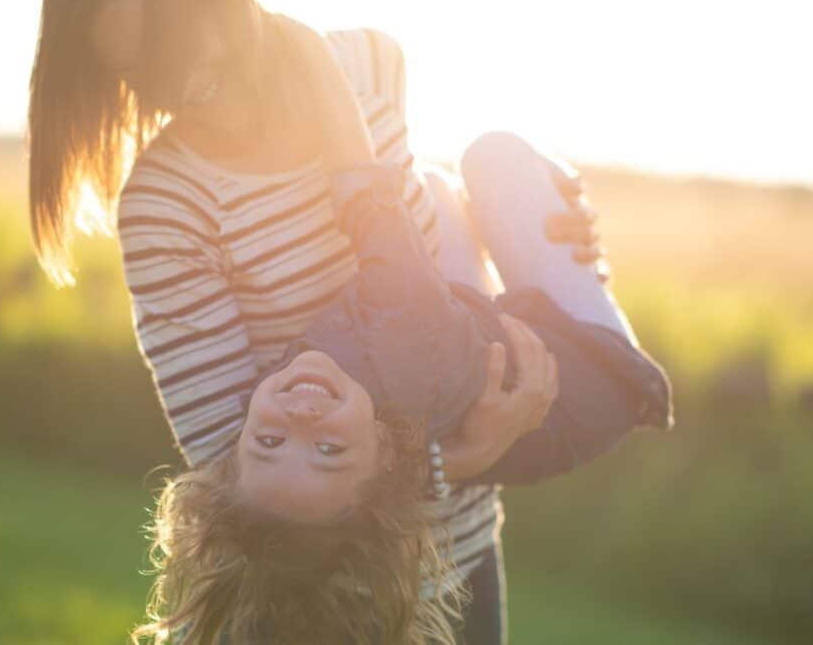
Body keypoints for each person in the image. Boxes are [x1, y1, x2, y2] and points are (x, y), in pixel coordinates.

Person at [26, 0, 651, 642]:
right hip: (322, 602)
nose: (171, 85)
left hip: (460, 551)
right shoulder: (165, 205)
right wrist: (467, 451)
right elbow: (224, 460)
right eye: (137, 73)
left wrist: (535, 205)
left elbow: (423, 239)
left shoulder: (368, 64)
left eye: (174, 42)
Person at [132, 133, 672, 645]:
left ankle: (504, 251)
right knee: (493, 160)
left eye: (268, 443)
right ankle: (574, 257)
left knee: (434, 197)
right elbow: (392, 245)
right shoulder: (396, 364)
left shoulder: (327, 394)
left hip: (489, 345)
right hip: (603, 377)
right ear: (387, 453)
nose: (300, 418)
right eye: (328, 450)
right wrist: (361, 192)